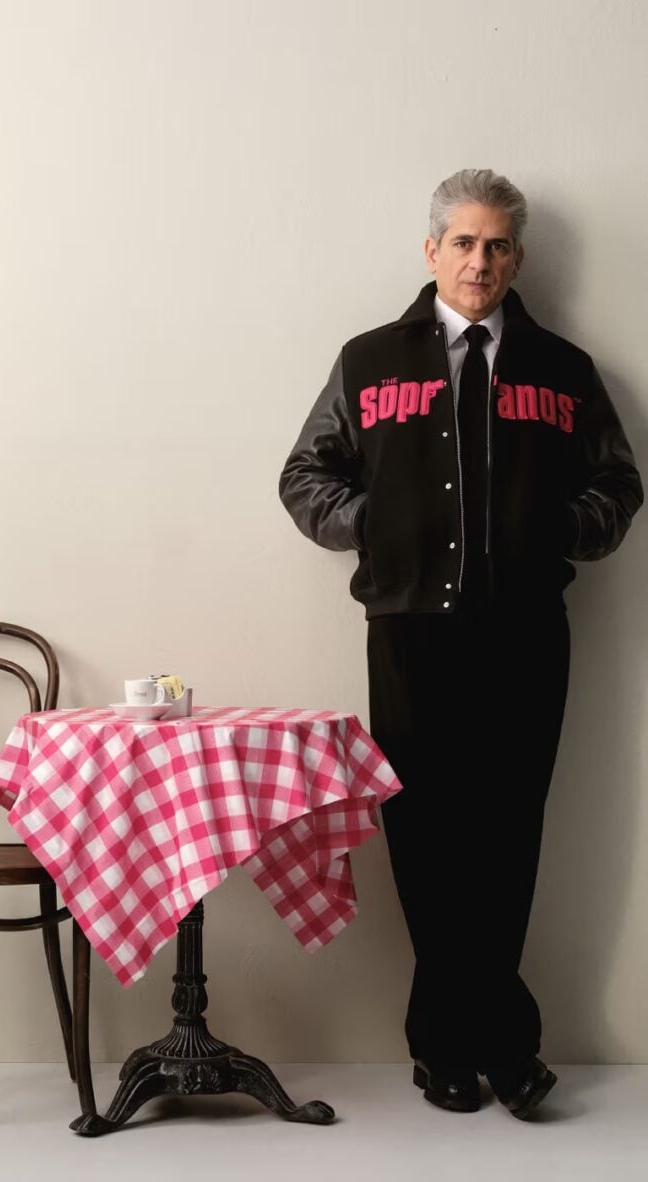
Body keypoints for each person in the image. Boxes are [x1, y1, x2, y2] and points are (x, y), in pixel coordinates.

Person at [279, 169, 643, 1119]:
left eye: (498, 245)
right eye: (465, 243)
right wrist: (379, 526)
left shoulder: (563, 370)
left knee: (508, 836)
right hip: (410, 632)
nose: (481, 261)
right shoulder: (369, 362)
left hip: (527, 634)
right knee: (427, 838)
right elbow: (304, 476)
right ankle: (482, 1047)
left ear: (517, 257)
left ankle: (475, 1046)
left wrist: (560, 529)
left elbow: (618, 486)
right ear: (432, 250)